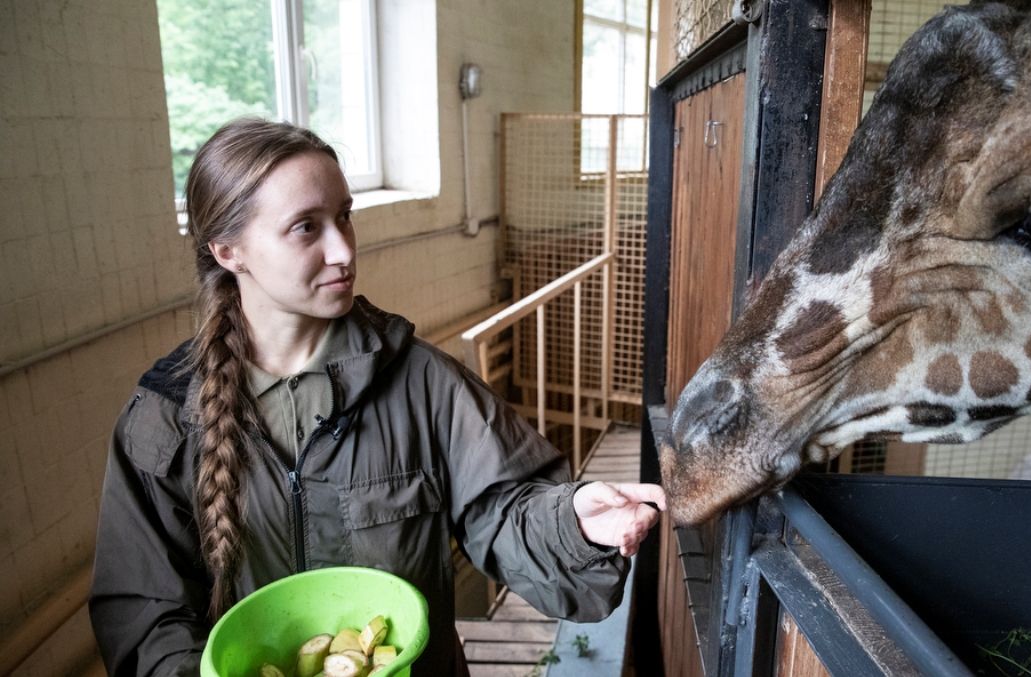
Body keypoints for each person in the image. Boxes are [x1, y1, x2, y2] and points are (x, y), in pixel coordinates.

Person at [89, 118, 666, 676]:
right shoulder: (163, 419)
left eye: (345, 217)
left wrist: (570, 523)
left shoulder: (422, 382)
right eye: (306, 227)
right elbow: (148, 614)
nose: (343, 250)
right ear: (228, 251)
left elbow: (503, 507)